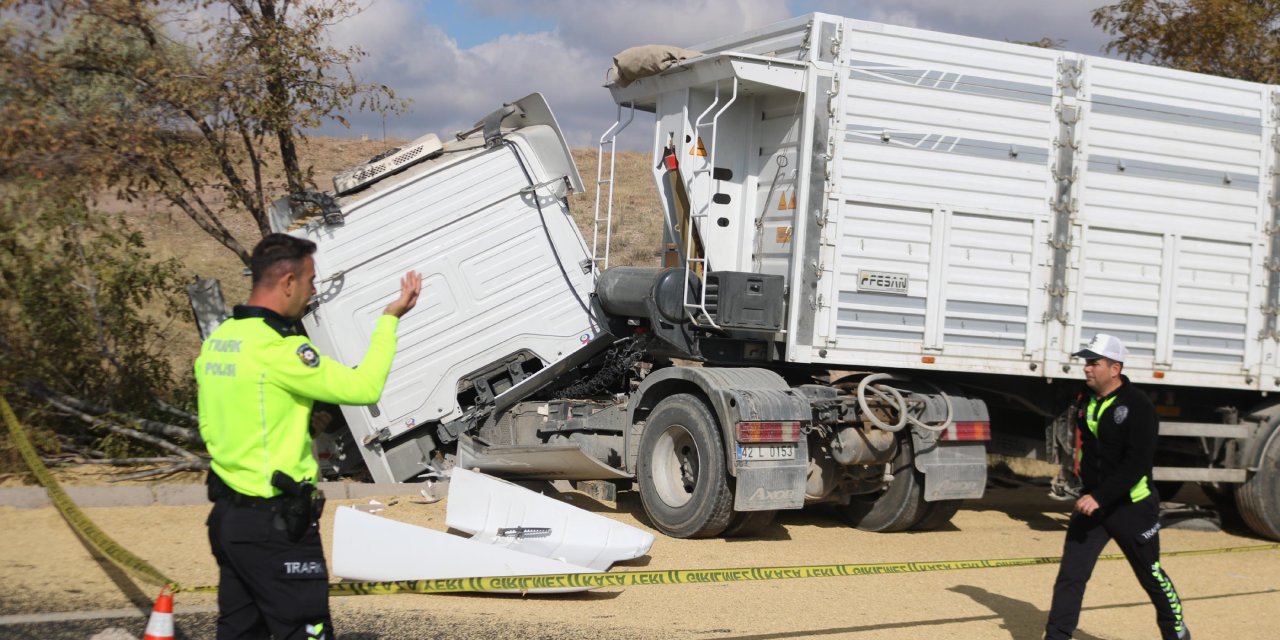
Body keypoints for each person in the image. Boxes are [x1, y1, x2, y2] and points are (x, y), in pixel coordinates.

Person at [194, 233, 421, 640]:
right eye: (312, 281)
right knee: (308, 631)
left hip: (229, 519)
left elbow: (215, 426)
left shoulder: (221, 340)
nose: (313, 292)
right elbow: (363, 388)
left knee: (239, 631)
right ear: (287, 283)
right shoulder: (282, 349)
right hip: (276, 525)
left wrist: (295, 424)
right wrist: (391, 318)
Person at [1044, 333, 1189, 640]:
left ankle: (1176, 633)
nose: (1087, 368)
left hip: (1132, 507)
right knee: (1071, 575)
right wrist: (1085, 487)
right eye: (1086, 362)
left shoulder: (1138, 407)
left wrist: (1100, 496)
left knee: (1151, 575)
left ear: (1115, 368)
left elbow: (1137, 464)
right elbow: (1088, 449)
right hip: (1093, 505)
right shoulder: (1085, 399)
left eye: (1094, 363)